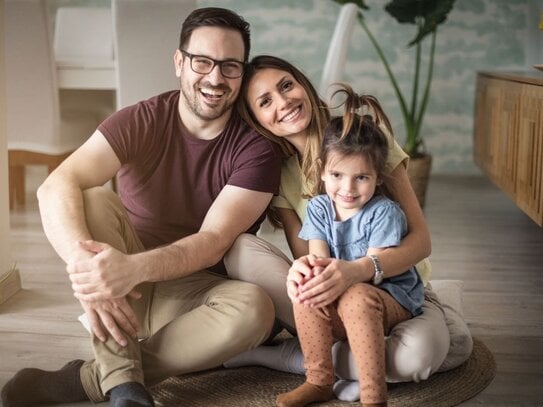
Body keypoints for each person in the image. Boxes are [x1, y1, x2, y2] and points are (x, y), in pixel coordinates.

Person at [1, 8, 282, 407]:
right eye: (203, 62)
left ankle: (93, 379)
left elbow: (214, 240)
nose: (215, 78)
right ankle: (128, 391)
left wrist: (130, 269)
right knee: (91, 197)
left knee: (256, 307)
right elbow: (54, 186)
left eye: (230, 66)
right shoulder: (142, 119)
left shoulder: (256, 148)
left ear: (242, 72)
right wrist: (93, 278)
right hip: (124, 286)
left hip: (193, 293)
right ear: (179, 62)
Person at [223, 55, 470, 401]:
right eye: (266, 101)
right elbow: (309, 256)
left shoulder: (366, 140)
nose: (284, 102)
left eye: (286, 86)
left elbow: (421, 241)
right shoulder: (279, 173)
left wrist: (357, 270)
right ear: (257, 119)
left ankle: (288, 357)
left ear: (303, 84)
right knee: (240, 251)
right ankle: (328, 365)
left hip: (394, 288)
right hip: (333, 295)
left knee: (417, 359)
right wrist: (302, 272)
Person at [277, 85, 425, 407]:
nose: (348, 188)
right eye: (338, 175)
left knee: (356, 297)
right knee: (307, 290)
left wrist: (337, 281)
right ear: (323, 173)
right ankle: (318, 381)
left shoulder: (383, 212)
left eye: (361, 178)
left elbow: (372, 272)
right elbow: (318, 258)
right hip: (344, 290)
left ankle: (374, 397)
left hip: (388, 294)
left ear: (378, 178)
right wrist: (308, 274)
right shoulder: (318, 207)